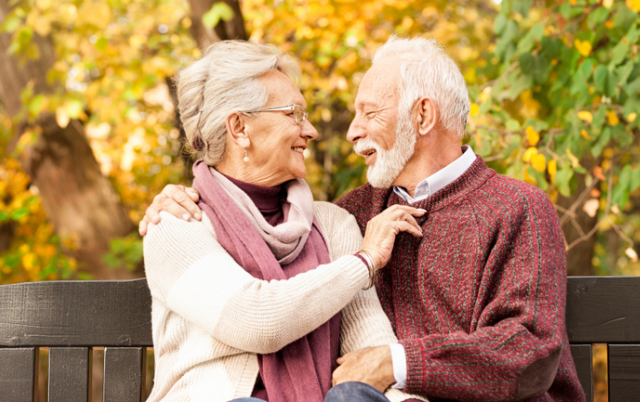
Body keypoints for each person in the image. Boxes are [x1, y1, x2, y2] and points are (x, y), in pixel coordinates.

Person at [141, 36, 586, 402]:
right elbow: (283, 305)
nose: (348, 131)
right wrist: (175, 198)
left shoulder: (516, 208)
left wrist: (397, 363)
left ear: (423, 115)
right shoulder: (354, 213)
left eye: (368, 113)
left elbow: (529, 349)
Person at [141, 40, 428, 402]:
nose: (311, 131)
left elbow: (368, 347)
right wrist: (364, 262)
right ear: (239, 128)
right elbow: (255, 320)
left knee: (353, 396)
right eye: (294, 113)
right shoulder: (178, 223)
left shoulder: (334, 223)